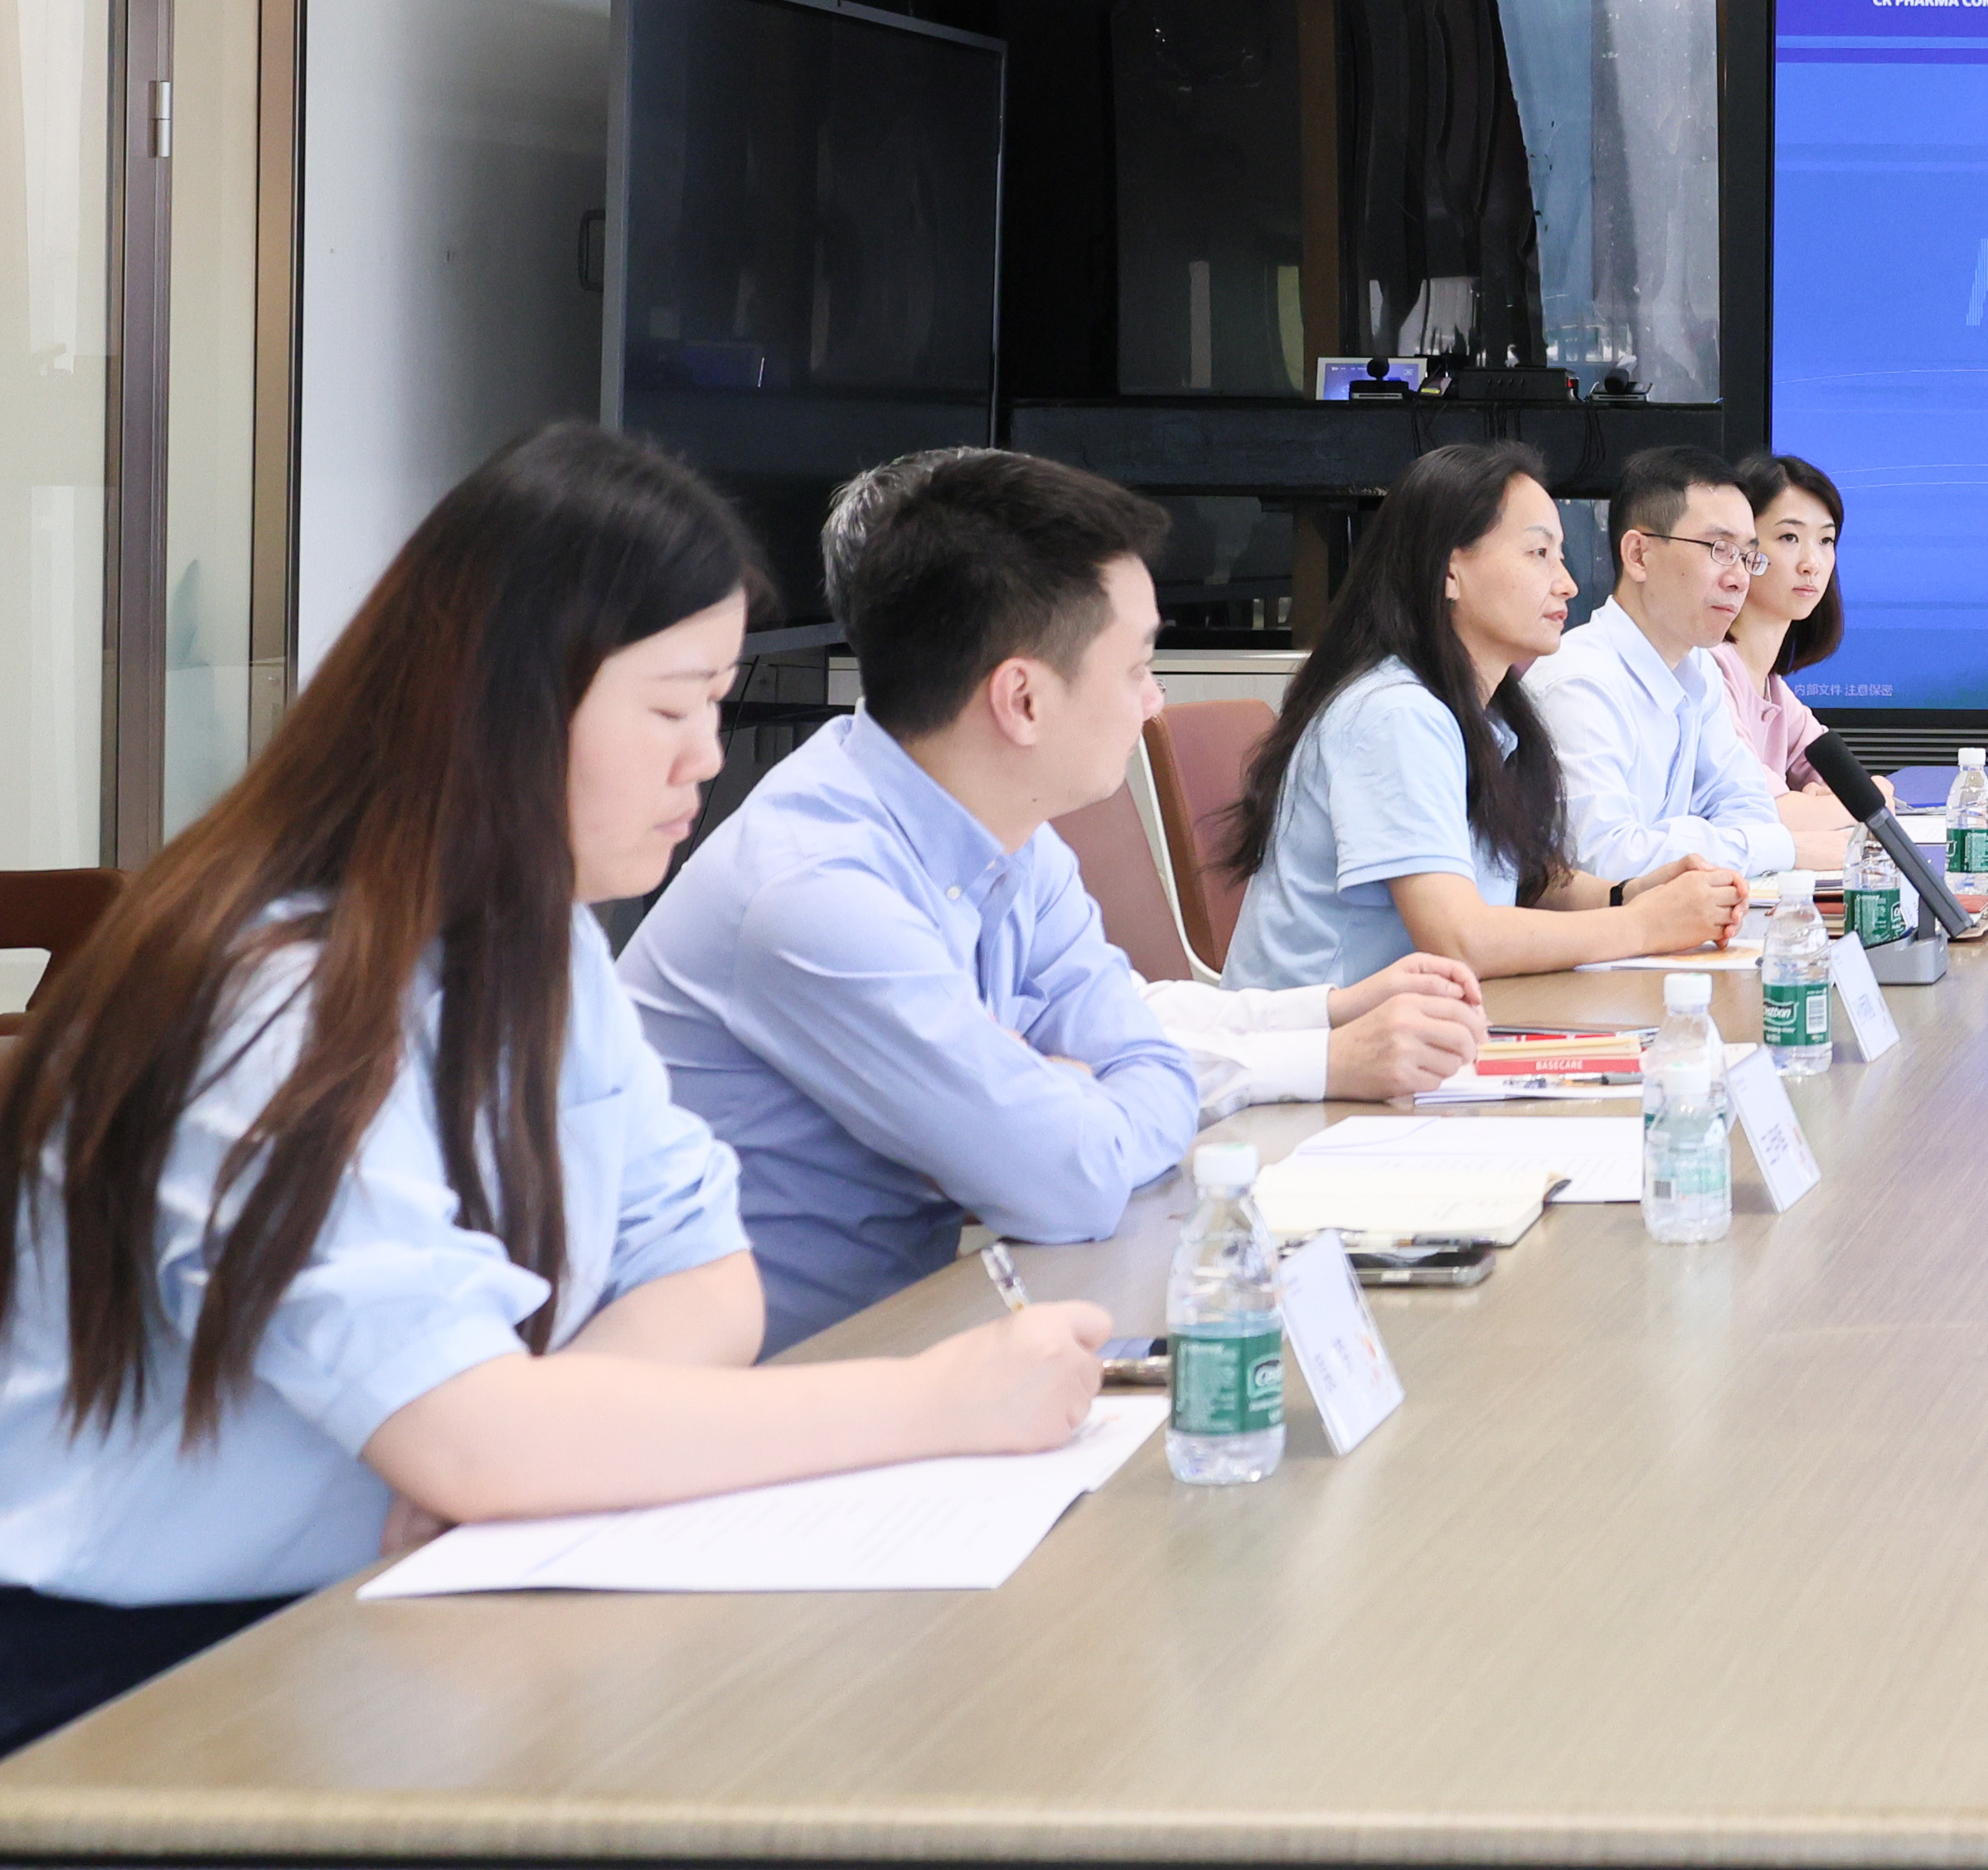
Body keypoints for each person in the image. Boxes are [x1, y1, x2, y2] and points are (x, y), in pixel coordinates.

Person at [0, 426, 1103, 1753]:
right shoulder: (270, 999)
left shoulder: (542, 940)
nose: (705, 756)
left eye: (716, 704)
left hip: (402, 1608)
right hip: (133, 1680)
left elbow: (709, 1276)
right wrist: (933, 1403)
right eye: (671, 706)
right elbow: (471, 1434)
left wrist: (521, 1455)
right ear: (509, 697)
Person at [623, 449, 1490, 1353]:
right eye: (1137, 667)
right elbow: (1069, 1181)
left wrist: (1071, 1089)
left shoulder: (1011, 834)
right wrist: (1068, 1093)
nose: (1152, 701)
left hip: (928, 1336)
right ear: (1023, 699)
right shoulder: (818, 891)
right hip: (781, 1382)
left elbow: (1141, 1054)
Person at [1223, 442, 1746, 988]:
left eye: (1561, 555)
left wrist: (1629, 893)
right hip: (1326, 1033)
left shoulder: (1480, 710)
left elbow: (1524, 882)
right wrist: (1643, 924)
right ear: (1449, 572)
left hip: (1420, 1018)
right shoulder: (1395, 714)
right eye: (1538, 553)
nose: (1566, 582)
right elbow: (1459, 939)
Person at [1532, 448, 1847, 880]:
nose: (1739, 578)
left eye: (1746, 555)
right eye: (1719, 549)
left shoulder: (1697, 671)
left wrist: (1690, 840)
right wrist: (1774, 847)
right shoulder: (1580, 683)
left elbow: (1751, 809)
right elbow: (1604, 857)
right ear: (1639, 555)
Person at [1695, 451, 1855, 835]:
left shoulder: (1775, 691)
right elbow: (1765, 814)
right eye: (1789, 537)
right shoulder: (1706, 671)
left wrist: (1836, 803)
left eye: (1826, 540)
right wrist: (1833, 806)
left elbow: (1854, 789)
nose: (1812, 562)